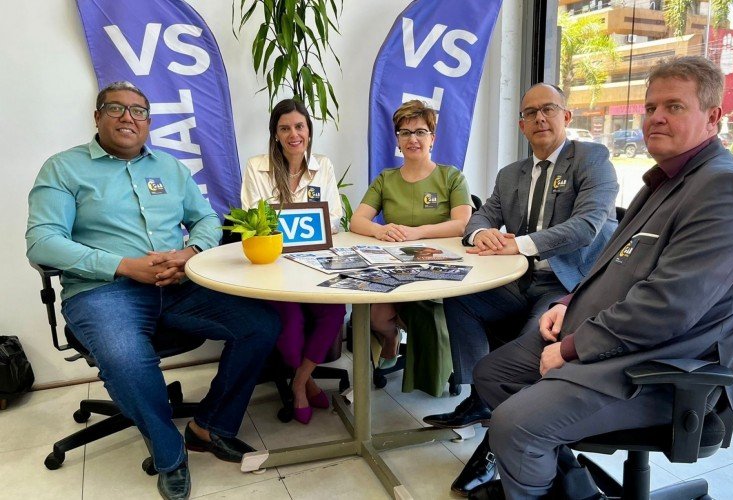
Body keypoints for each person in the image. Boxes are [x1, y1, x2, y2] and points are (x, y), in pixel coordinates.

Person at [467, 56, 733, 499]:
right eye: (651, 108)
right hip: (607, 334)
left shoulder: (725, 189)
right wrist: (567, 303)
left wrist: (573, 348)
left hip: (661, 366)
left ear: (713, 117)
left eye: (674, 106)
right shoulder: (665, 180)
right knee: (493, 374)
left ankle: (532, 475)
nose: (656, 118)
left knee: (516, 425)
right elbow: (615, 265)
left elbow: (666, 308)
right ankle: (570, 488)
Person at [26, 81, 281, 500]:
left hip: (178, 285)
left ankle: (209, 427)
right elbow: (42, 242)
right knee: (126, 357)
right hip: (103, 291)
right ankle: (169, 453)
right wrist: (124, 266)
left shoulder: (170, 167)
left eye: (138, 111)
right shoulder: (63, 168)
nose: (128, 117)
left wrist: (190, 253)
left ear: (148, 121)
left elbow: (206, 219)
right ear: (97, 117)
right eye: (116, 108)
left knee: (261, 324)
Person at [423, 83, 618, 497]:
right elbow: (480, 217)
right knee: (460, 296)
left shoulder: (592, 159)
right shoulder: (511, 173)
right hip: (519, 279)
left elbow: (587, 227)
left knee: (533, 342)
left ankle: (494, 446)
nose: (540, 118)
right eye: (531, 113)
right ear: (522, 125)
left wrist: (520, 243)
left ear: (567, 116)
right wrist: (482, 237)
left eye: (549, 109)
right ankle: (480, 398)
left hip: (566, 288)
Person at [350, 99, 472, 395]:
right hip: (394, 269)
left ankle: (434, 369)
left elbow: (462, 224)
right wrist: (382, 230)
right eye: (405, 133)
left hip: (439, 272)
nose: (413, 139)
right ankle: (391, 341)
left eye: (420, 131)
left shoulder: (451, 177)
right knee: (374, 315)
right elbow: (357, 221)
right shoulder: (386, 179)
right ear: (398, 140)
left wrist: (419, 232)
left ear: (433, 137)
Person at [241, 98, 346, 425]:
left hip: (316, 265)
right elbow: (255, 219)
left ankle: (298, 381)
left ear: (309, 132)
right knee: (290, 330)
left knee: (335, 312)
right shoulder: (257, 167)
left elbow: (335, 218)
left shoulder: (323, 167)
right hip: (275, 269)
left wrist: (304, 230)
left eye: (299, 126)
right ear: (275, 134)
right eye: (284, 128)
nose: (293, 134)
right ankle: (307, 381)